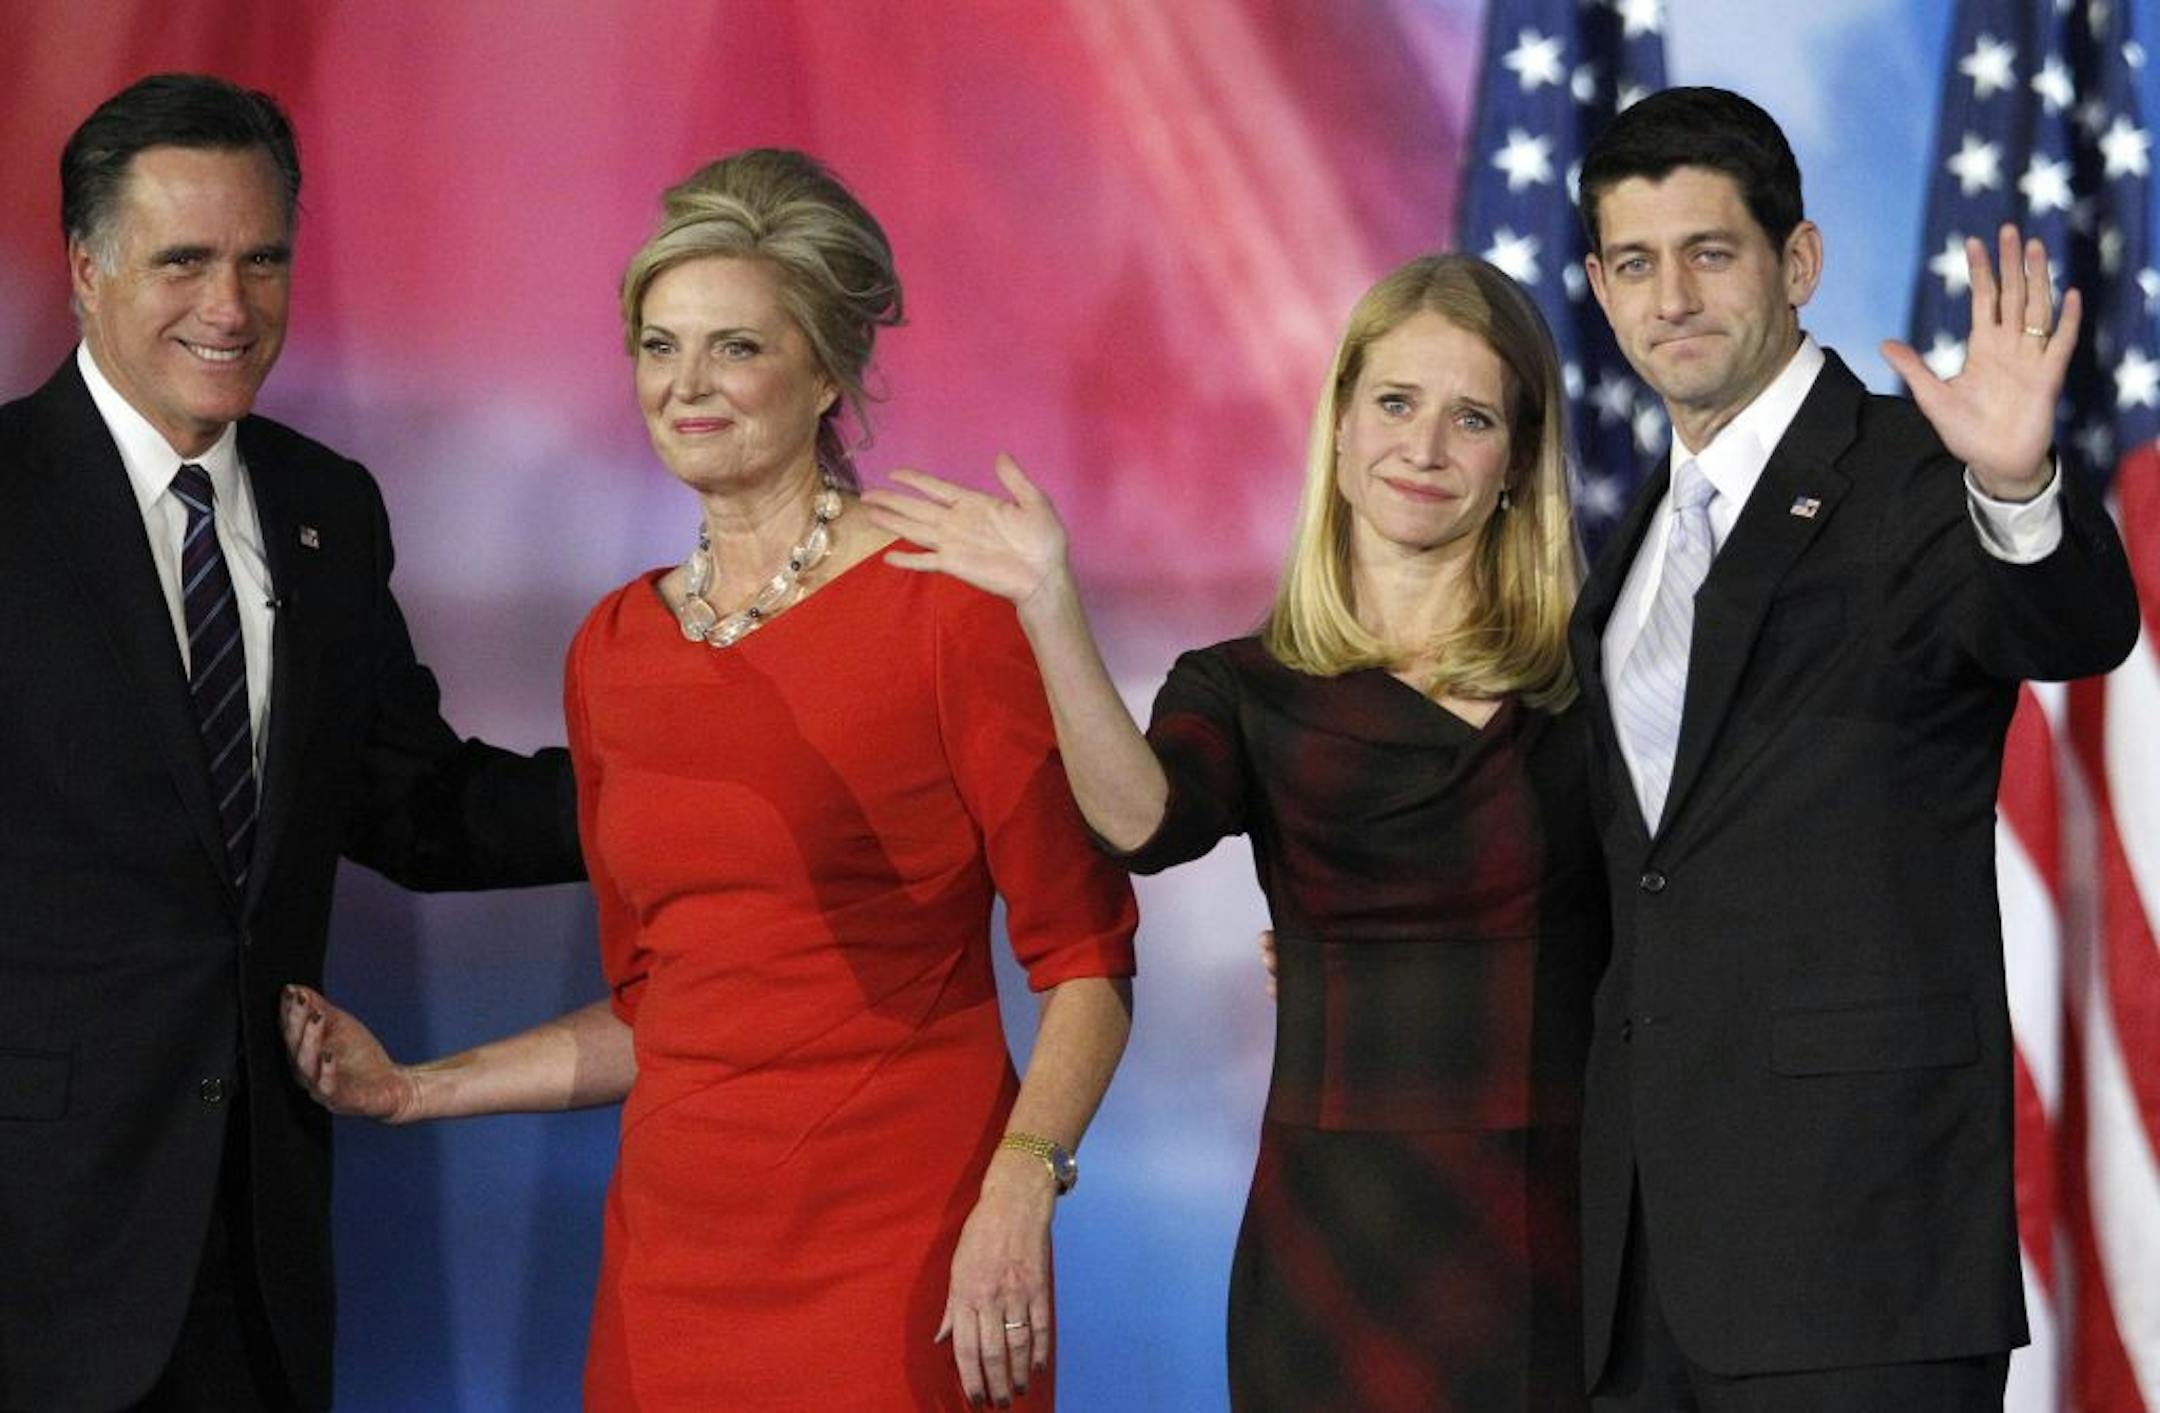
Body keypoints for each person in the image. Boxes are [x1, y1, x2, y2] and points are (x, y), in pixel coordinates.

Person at [279, 147, 1139, 1411]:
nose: (688, 386)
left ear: (828, 370)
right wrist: (414, 1091)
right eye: (658, 345)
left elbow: (1089, 967)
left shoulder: (948, 604)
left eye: (735, 348)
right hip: (671, 1270)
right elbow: (660, 1015)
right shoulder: (616, 648)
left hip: (909, 1251)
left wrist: (1023, 1183)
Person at [864, 252, 1607, 1410]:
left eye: (1470, 418)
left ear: (1516, 460)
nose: (1423, 448)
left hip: (1556, 1230)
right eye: (1396, 405)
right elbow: (1139, 822)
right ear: (1344, 428)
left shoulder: (1591, 686)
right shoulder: (1250, 686)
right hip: (1335, 1242)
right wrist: (1053, 609)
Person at [0, 73, 583, 1413]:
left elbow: (413, 804)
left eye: (264, 260)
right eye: (186, 260)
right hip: (35, 1248)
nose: (231, 307)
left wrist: (656, 800)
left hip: (258, 1247)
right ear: (87, 273)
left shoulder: (326, 508)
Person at [1566, 87, 2140, 1409]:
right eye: (1636, 265)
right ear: (1599, 286)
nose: (1674, 299)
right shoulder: (1632, 541)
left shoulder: (1911, 476)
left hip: (1858, 1255)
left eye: (1712, 253)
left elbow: (2070, 621)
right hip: (1646, 1271)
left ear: (1799, 262)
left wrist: (2014, 486)